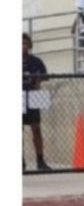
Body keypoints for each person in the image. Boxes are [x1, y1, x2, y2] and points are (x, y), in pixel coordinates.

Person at [22, 33, 51, 171]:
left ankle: (40, 161)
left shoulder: (36, 61)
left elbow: (46, 76)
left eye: (25, 43)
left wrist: (39, 79)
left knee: (37, 129)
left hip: (33, 95)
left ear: (29, 45)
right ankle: (21, 162)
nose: (23, 46)